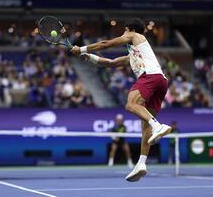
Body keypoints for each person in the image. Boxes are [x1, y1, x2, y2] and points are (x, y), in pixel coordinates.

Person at [71, 18, 172, 182]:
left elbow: (106, 44)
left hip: (150, 77)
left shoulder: (135, 36)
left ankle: (158, 126)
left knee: (131, 104)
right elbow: (110, 63)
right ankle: (141, 163)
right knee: (144, 123)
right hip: (161, 82)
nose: (124, 33)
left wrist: (81, 47)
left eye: (124, 31)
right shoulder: (134, 53)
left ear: (129, 29)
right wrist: (87, 55)